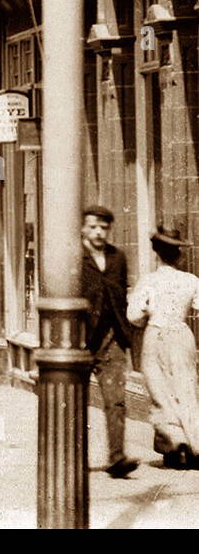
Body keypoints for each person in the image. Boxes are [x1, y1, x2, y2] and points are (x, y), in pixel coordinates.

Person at [127, 225, 199, 470]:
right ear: (179, 254)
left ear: (156, 252)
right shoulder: (191, 280)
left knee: (161, 393)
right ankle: (194, 445)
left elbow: (133, 316)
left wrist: (147, 311)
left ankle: (174, 445)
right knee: (186, 388)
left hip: (155, 337)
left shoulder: (148, 281)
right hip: (181, 335)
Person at [81, 205, 138, 478]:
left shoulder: (118, 257)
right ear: (83, 228)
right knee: (74, 401)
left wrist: (124, 337)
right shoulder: (74, 257)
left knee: (115, 400)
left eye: (103, 227)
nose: (99, 232)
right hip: (80, 340)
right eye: (93, 226)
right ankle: (75, 457)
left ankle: (117, 459)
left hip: (111, 338)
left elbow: (122, 297)